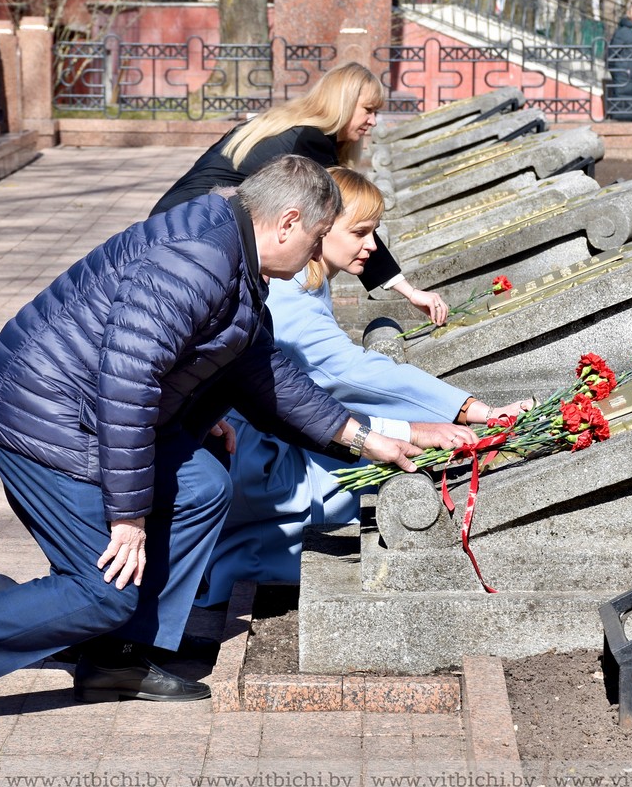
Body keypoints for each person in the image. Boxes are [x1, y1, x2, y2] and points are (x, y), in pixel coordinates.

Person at [0, 155, 425, 741]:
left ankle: (116, 660)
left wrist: (360, 437)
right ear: (285, 222)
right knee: (102, 592)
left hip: (83, 411)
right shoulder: (199, 258)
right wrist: (127, 518)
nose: (313, 256)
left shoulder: (236, 247)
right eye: (311, 240)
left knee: (202, 486)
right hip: (40, 414)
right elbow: (127, 383)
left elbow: (259, 370)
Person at [196, 167, 532, 606]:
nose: (373, 247)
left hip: (259, 439)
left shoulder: (303, 278)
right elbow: (349, 371)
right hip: (253, 457)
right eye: (361, 232)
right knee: (353, 481)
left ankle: (220, 565)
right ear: (320, 226)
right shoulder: (291, 290)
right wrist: (468, 410)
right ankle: (225, 567)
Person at [152, 61, 452, 327]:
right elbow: (348, 217)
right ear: (345, 103)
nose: (373, 121)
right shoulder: (311, 140)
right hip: (197, 234)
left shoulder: (289, 123)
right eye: (368, 111)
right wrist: (409, 291)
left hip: (175, 219)